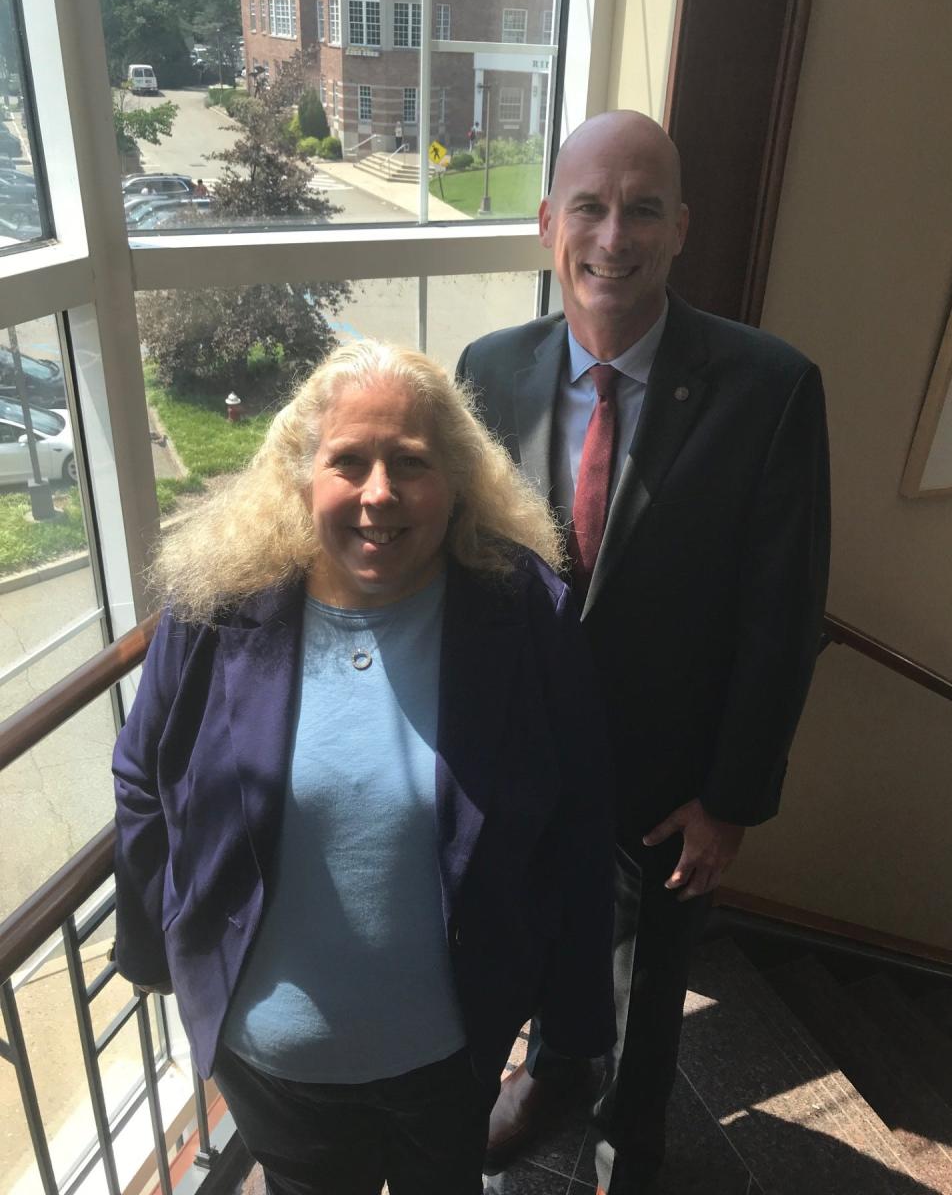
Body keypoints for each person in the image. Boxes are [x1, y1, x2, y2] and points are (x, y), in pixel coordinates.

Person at [112, 340, 616, 1195]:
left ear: (456, 481)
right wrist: (153, 952)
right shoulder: (216, 604)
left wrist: (573, 1019)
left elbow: (579, 815)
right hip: (271, 1067)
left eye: (410, 463)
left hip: (450, 1055)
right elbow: (140, 781)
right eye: (349, 461)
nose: (379, 493)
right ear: (303, 476)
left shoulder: (523, 611)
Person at [456, 110, 830, 1193]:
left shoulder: (769, 388)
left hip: (669, 783)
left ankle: (632, 1143)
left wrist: (732, 798)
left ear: (681, 229)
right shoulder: (490, 367)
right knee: (537, 948)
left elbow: (782, 614)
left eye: (642, 208)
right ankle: (552, 1071)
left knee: (649, 986)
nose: (612, 235)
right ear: (547, 224)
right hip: (526, 764)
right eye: (589, 205)